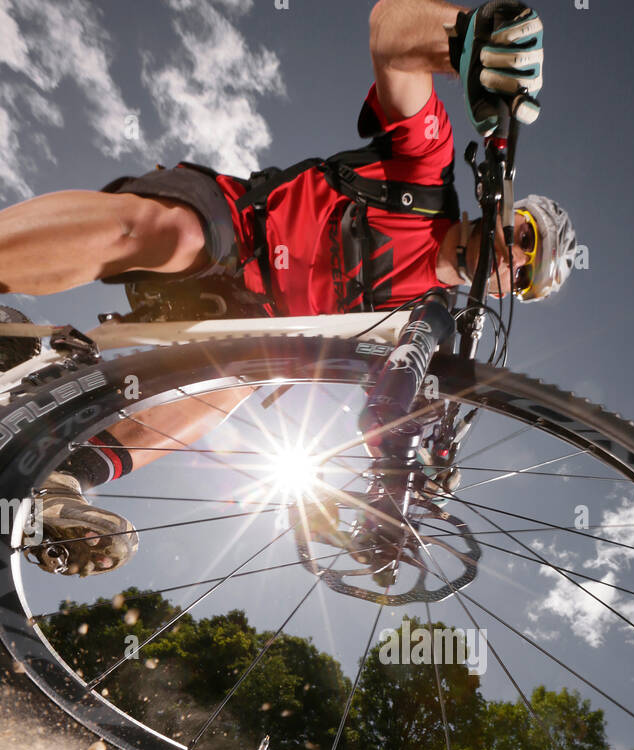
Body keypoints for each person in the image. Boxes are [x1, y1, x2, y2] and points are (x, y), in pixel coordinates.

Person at [0, 1, 577, 575]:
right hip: (233, 228)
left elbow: (401, 418)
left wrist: (417, 481)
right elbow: (392, 34)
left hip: (246, 325)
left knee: (232, 384)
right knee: (172, 234)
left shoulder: (425, 321)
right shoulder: (424, 170)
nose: (515, 260)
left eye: (524, 278)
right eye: (526, 237)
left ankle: (66, 474)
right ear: (508, 212)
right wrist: (468, 34)